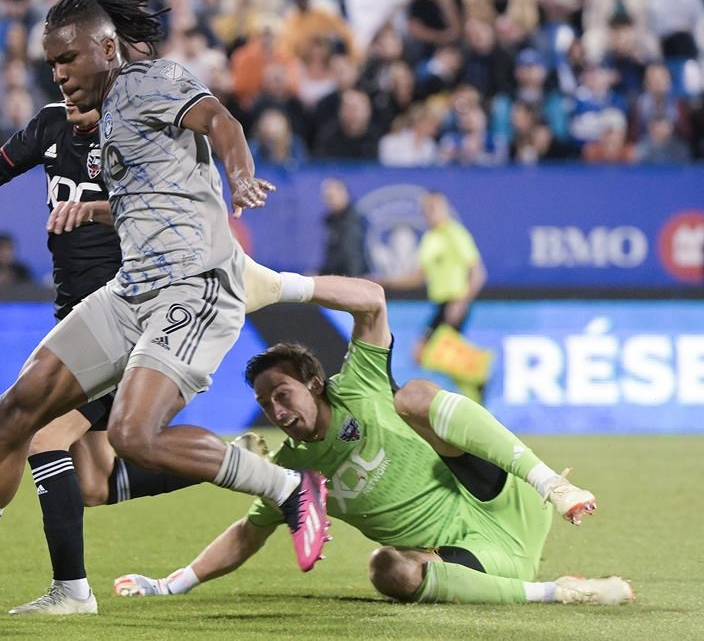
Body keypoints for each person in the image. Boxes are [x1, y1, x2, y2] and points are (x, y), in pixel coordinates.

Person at [0, 0, 329, 617]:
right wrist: (94, 213)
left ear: (108, 49)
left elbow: (220, 120)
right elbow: (155, 199)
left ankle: (289, 487)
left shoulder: (157, 81)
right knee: (17, 410)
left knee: (133, 436)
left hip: (195, 290)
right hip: (132, 290)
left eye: (67, 57)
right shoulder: (95, 118)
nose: (57, 71)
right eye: (51, 61)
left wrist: (241, 172)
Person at [113, 275, 633, 607]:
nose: (276, 409)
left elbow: (372, 301)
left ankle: (550, 483)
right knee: (387, 568)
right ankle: (559, 592)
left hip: (505, 502)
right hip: (467, 561)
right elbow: (246, 535)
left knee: (413, 396)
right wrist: (170, 583)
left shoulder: (357, 383)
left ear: (313, 382)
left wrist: (280, 286)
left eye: (283, 392)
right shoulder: (292, 470)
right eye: (266, 402)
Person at [380, 191, 488, 402]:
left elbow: (478, 273)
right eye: (427, 209)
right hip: (440, 304)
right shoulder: (430, 238)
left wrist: (461, 301)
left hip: (454, 303)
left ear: (445, 209)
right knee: (429, 354)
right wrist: (388, 282)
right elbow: (420, 276)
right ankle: (474, 384)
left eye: (435, 208)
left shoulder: (455, 234)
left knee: (423, 351)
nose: (431, 213)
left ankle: (476, 375)